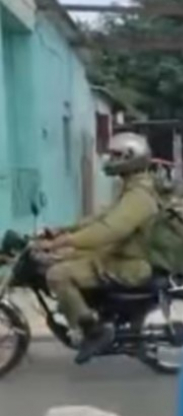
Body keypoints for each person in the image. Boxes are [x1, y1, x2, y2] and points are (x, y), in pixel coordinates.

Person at [37, 131, 160, 364]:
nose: (110, 160)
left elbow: (109, 229)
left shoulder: (140, 196)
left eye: (116, 156)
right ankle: (87, 314)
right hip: (118, 255)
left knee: (58, 274)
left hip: (131, 264)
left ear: (131, 158)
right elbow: (100, 218)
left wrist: (65, 241)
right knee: (63, 259)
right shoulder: (130, 188)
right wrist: (65, 230)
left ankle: (93, 331)